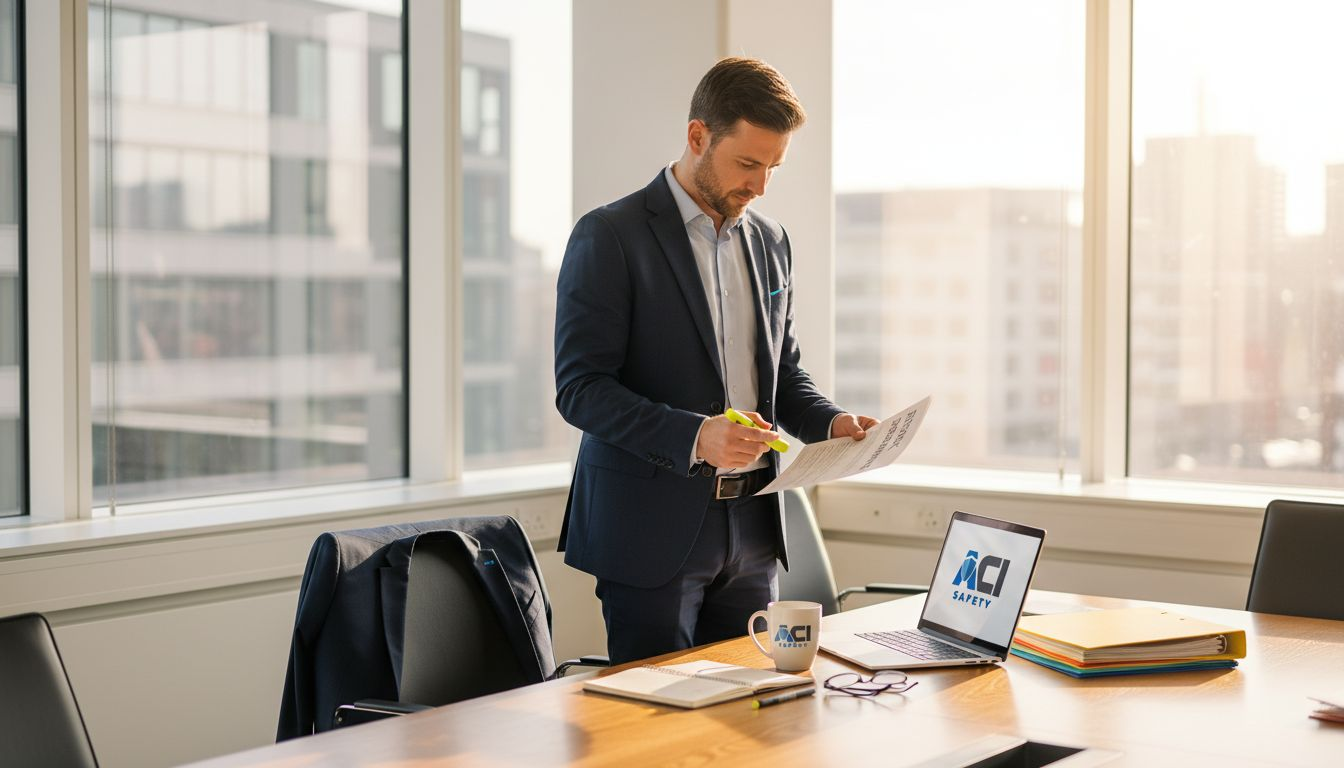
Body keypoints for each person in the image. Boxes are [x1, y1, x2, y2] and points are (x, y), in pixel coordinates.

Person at [554, 57, 877, 664]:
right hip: (650, 530)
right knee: (657, 733)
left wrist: (832, 423)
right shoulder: (610, 236)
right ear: (698, 136)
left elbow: (782, 374)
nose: (759, 187)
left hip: (753, 527)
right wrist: (698, 436)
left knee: (755, 717)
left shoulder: (771, 240)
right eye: (748, 164)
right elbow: (580, 389)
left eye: (773, 168)